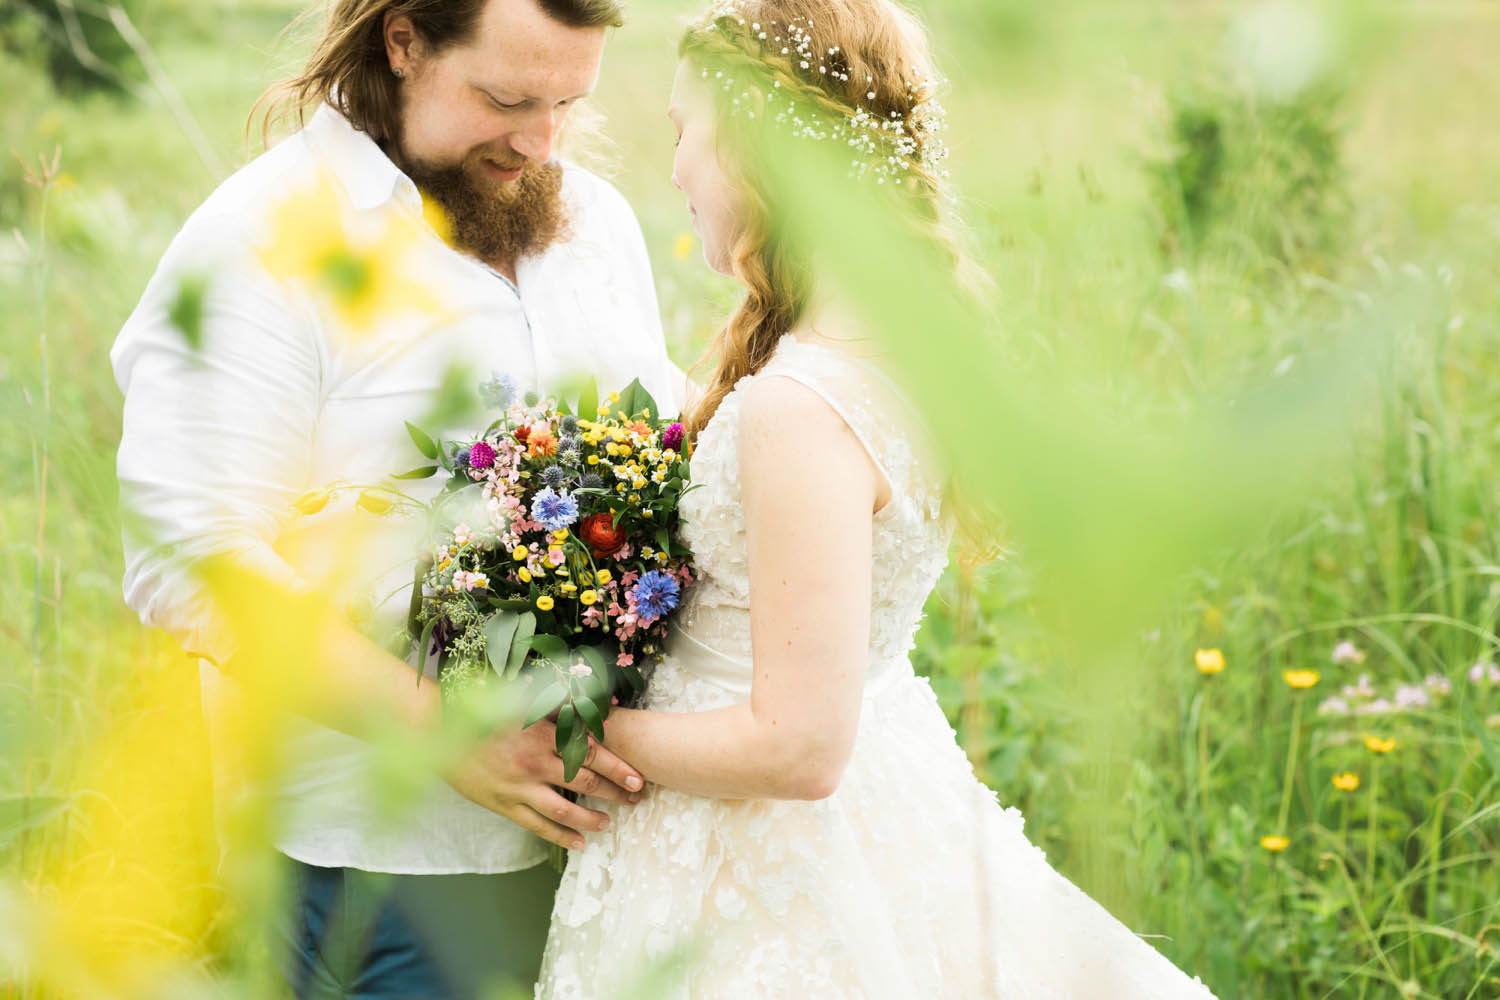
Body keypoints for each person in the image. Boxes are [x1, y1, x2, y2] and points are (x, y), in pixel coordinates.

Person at [535, 1, 1218, 996]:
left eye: (691, 133)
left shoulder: (800, 406)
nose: (677, 168)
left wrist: (580, 730)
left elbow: (798, 744)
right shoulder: (893, 355)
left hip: (753, 862)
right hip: (877, 795)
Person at [110, 0, 678, 994]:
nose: (541, 142)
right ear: (403, 39)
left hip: (618, 859)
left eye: (568, 102)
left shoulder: (598, 224)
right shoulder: (259, 244)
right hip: (383, 868)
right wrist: (444, 732)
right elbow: (188, 554)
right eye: (506, 98)